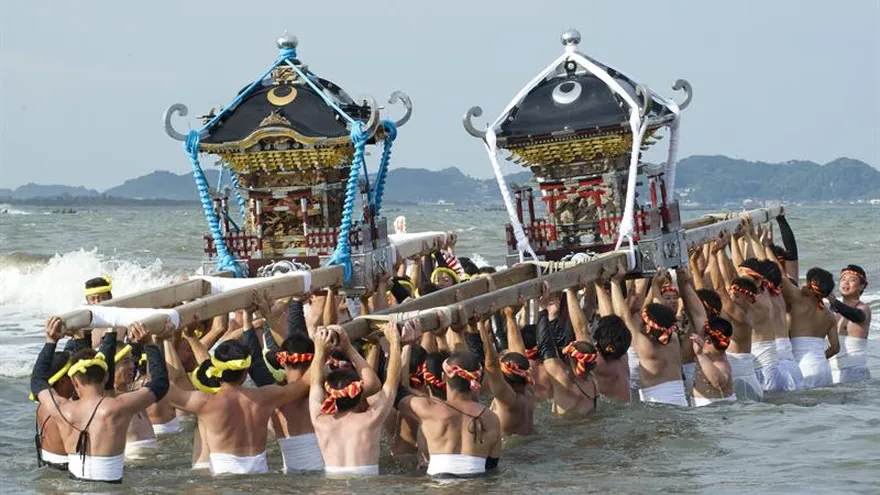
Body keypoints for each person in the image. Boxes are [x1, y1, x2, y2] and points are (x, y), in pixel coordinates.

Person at [165, 312, 314, 476]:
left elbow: (163, 388)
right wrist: (320, 350)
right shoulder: (266, 397)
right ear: (245, 373)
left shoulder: (205, 402)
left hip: (222, 482)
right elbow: (305, 381)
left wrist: (160, 341)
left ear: (217, 372)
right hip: (261, 480)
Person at [30, 318, 168, 483]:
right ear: (106, 377)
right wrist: (149, 343)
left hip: (73, 489)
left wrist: (51, 340)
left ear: (74, 381)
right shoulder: (118, 407)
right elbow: (160, 384)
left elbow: (38, 381)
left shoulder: (63, 409)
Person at [310, 323, 401, 476]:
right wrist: (394, 341)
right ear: (359, 394)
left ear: (330, 394)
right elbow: (391, 382)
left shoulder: (319, 421)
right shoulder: (371, 418)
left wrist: (319, 351)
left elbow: (315, 383)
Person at [398, 350, 502, 478]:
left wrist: (406, 347)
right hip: (477, 484)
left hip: (438, 484)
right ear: (478, 379)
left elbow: (398, 391)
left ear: (443, 377)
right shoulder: (492, 418)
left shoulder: (427, 409)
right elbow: (491, 465)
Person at [611, 262, 688, 406]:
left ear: (648, 326)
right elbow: (661, 314)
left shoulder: (644, 346)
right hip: (682, 403)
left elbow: (623, 316)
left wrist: (615, 282)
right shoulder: (674, 338)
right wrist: (654, 287)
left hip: (657, 410)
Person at [708, 237, 764, 401]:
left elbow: (719, 289)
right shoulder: (749, 309)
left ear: (743, 296)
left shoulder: (740, 316)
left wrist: (713, 255)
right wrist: (721, 251)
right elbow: (726, 280)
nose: (731, 296)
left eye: (734, 294)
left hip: (742, 380)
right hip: (746, 376)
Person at [535, 291, 600, 414]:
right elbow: (579, 334)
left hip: (564, 431)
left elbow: (545, 348)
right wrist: (553, 317)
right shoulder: (592, 378)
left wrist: (542, 310)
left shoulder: (563, 382)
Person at [780, 267, 840, 389]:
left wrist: (765, 249)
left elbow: (781, 276)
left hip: (803, 367)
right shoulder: (829, 315)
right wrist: (818, 358)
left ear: (810, 285)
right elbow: (835, 348)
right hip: (824, 370)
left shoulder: (798, 300)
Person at [478, 315, 535, 435]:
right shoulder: (529, 389)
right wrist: (510, 317)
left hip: (509, 451)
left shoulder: (507, 398)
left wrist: (482, 326)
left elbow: (491, 366)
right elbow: (520, 356)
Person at [828, 265, 872, 383]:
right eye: (843, 279)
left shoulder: (863, 307)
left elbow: (857, 316)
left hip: (855, 371)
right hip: (833, 370)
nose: (846, 283)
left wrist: (834, 302)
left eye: (852, 280)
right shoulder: (832, 311)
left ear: (862, 286)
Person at [691, 317, 736, 406]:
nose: (698, 335)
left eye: (701, 332)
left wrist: (700, 354)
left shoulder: (721, 363)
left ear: (707, 339)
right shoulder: (709, 354)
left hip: (715, 414)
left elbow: (718, 382)